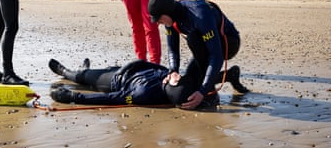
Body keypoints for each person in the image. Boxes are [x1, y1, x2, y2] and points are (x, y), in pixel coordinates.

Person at [148, 0, 249, 110]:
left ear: (167, 12)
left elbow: (216, 56)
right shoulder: (170, 18)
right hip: (205, 46)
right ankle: (229, 75)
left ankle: (212, 96)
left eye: (159, 19)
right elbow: (173, 49)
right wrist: (173, 70)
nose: (158, 23)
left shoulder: (199, 15)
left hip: (228, 44)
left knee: (193, 39)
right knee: (189, 82)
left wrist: (203, 91)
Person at [48, 58, 247, 108]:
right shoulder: (174, 77)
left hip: (116, 81)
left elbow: (112, 98)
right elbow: (196, 77)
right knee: (90, 72)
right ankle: (226, 76)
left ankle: (67, 72)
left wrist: (74, 97)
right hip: (129, 68)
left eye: (174, 79)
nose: (174, 76)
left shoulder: (143, 94)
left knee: (83, 78)